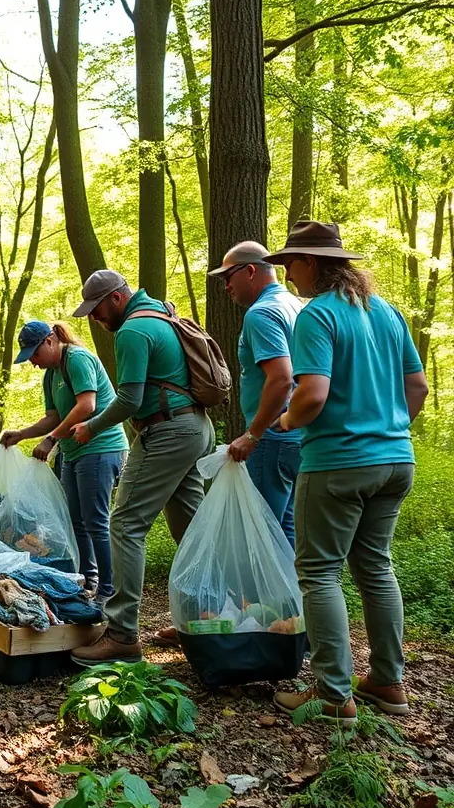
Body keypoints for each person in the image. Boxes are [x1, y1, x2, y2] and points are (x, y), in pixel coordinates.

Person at [263, 221, 428, 724]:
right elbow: (417, 387)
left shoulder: (319, 314)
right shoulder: (386, 312)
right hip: (396, 460)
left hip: (337, 462)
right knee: (376, 567)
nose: (288, 275)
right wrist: (388, 427)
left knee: (318, 572)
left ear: (311, 263)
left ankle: (334, 695)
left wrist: (286, 419)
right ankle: (387, 681)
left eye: (290, 263)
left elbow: (310, 394)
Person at [67, 270, 214, 666]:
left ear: (115, 298)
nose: (95, 319)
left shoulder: (133, 330)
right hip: (196, 427)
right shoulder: (163, 315)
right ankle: (205, 619)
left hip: (167, 432)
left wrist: (92, 426)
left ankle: (121, 634)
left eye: (96, 311)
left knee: (126, 524)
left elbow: (129, 399)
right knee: (192, 530)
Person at [0, 320, 128, 600]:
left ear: (50, 341)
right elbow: (53, 417)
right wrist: (22, 434)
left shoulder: (77, 359)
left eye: (35, 354)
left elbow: (87, 405)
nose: (33, 362)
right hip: (73, 452)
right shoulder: (50, 374)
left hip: (100, 447)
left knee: (95, 520)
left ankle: (107, 589)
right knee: (75, 520)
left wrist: (52, 439)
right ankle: (87, 581)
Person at [208, 241, 302, 547]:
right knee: (285, 528)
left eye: (228, 277)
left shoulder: (261, 314)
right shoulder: (296, 305)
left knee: (265, 534)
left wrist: (254, 434)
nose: (225, 286)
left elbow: (282, 378)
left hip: (274, 437)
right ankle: (295, 595)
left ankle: (270, 597)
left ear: (250, 271)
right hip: (300, 432)